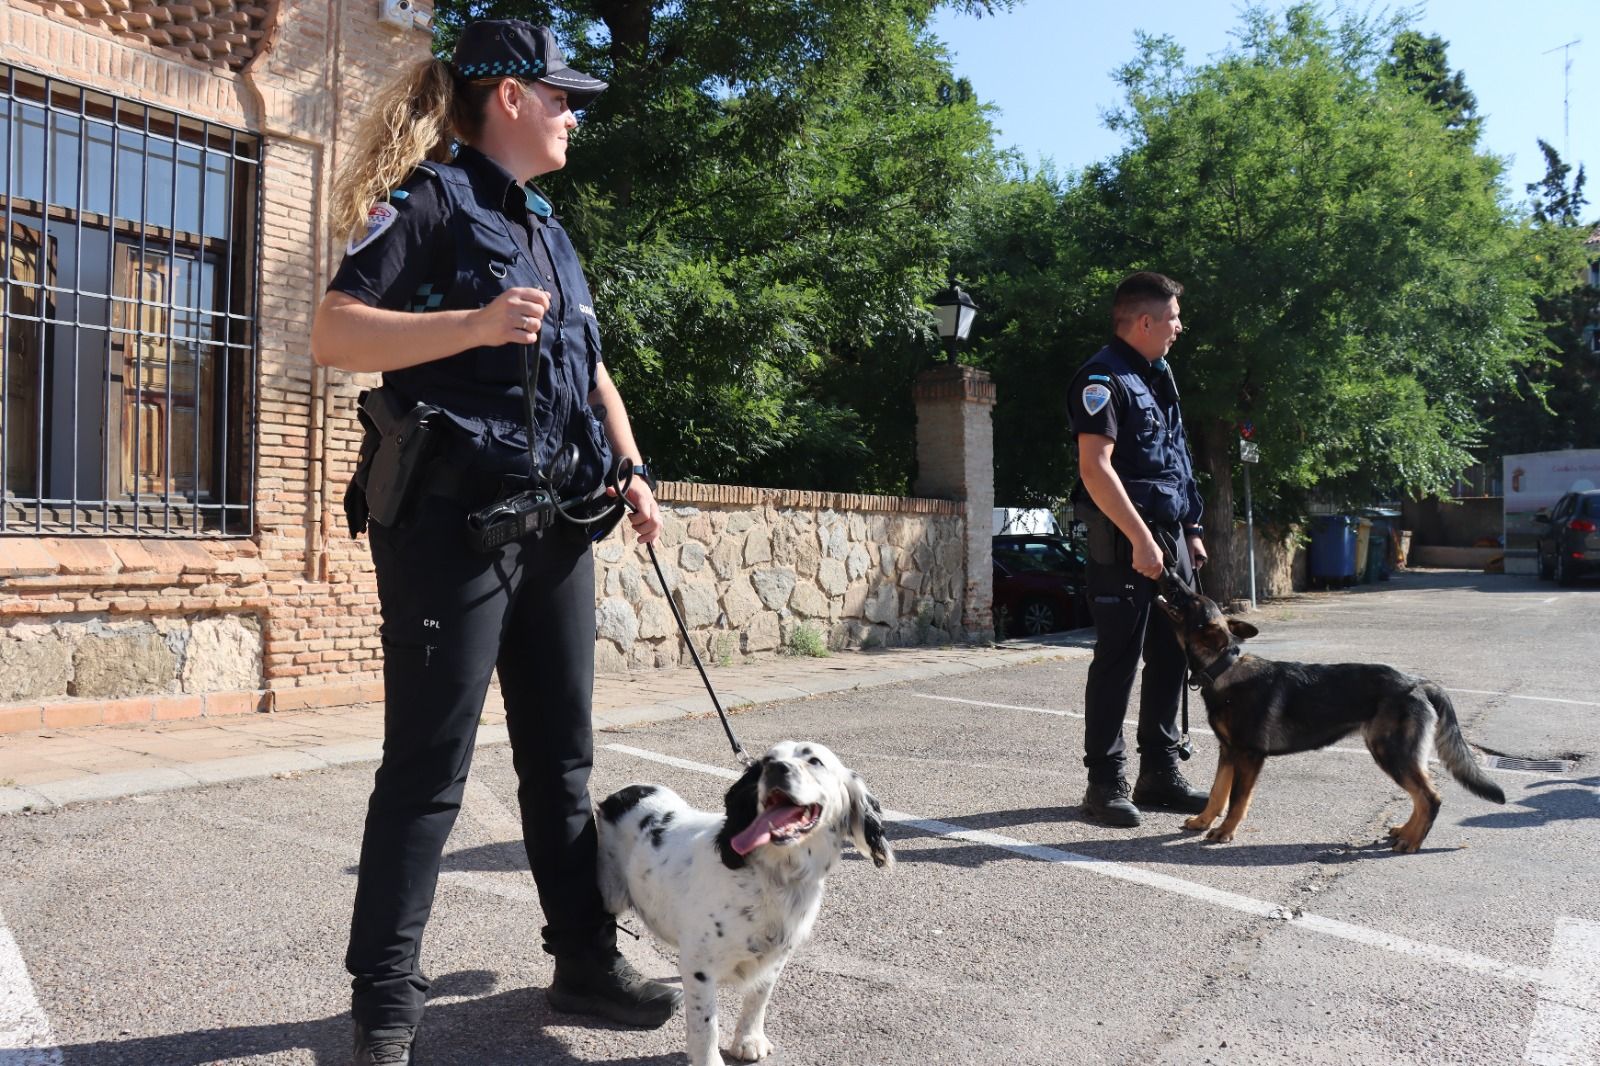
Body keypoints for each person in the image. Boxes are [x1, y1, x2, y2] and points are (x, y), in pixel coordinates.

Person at [310, 20, 679, 1066]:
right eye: (561, 97)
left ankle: (584, 962)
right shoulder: (426, 199)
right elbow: (334, 331)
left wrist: (631, 467)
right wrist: (470, 325)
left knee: (561, 760)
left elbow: (589, 367)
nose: (574, 116)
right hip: (449, 528)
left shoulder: (547, 227)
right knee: (427, 768)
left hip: (556, 526)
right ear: (509, 96)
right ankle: (385, 1002)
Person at [1066, 271, 1211, 828]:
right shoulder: (1102, 378)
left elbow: (1176, 457)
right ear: (1145, 321)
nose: (1179, 327)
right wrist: (1141, 540)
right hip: (1123, 538)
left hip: (1169, 535)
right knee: (1118, 659)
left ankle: (1160, 774)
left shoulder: (1158, 376)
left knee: (1173, 653)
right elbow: (1095, 469)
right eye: (1173, 317)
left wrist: (1191, 527)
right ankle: (1104, 784)